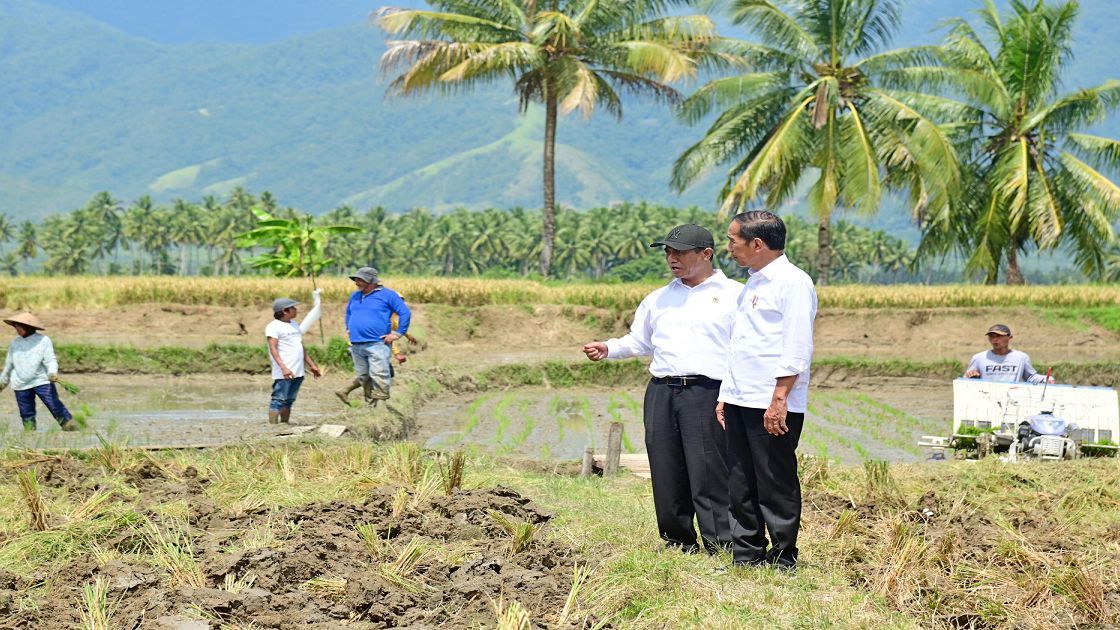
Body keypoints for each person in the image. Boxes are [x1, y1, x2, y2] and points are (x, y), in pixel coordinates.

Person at [582, 224, 743, 554]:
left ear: (706, 254)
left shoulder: (734, 296)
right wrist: (608, 348)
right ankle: (677, 541)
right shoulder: (658, 299)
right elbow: (639, 341)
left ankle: (721, 544)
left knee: (709, 469)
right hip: (662, 392)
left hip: (708, 392)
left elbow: (744, 350)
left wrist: (733, 394)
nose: (672, 258)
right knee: (666, 466)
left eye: (680, 252)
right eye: (669, 251)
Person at [717, 211, 817, 569]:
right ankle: (746, 554)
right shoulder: (753, 284)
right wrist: (726, 394)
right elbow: (741, 346)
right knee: (740, 480)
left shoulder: (793, 282)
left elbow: (796, 346)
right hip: (741, 398)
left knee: (774, 481)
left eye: (733, 241)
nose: (728, 248)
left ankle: (783, 556)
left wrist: (779, 400)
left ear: (757, 244)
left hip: (772, 401)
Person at [337, 267, 411, 406]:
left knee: (379, 373)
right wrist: (348, 326)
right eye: (356, 279)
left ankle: (381, 405)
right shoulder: (355, 296)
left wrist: (398, 333)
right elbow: (348, 312)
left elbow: (405, 313)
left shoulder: (388, 295)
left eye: (360, 279)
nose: (356, 282)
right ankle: (371, 404)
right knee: (363, 376)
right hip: (357, 343)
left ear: (370, 280)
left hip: (377, 343)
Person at [0, 312, 76, 432]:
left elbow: (50, 360)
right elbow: (9, 364)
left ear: (28, 327)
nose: (16, 329)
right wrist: (2, 382)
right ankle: (30, 436)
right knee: (26, 414)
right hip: (20, 384)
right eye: (15, 326)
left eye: (18, 326)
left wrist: (52, 373)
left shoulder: (43, 341)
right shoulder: (15, 342)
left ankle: (72, 430)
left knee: (55, 406)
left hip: (41, 381)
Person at [266, 296, 322, 424]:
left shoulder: (294, 325)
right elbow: (273, 349)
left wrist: (312, 365)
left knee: (289, 400)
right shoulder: (273, 327)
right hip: (284, 371)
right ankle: (273, 426)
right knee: (278, 399)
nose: (296, 310)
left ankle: (285, 424)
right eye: (293, 308)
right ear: (285, 311)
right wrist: (284, 368)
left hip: (298, 370)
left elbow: (300, 347)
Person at [964, 324, 1053, 383]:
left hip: (1012, 399)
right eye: (992, 336)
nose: (995, 339)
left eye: (999, 336)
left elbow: (1030, 377)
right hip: (987, 399)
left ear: (1009, 337)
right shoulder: (979, 358)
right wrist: (971, 375)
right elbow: (966, 380)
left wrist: (1046, 379)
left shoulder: (1021, 357)